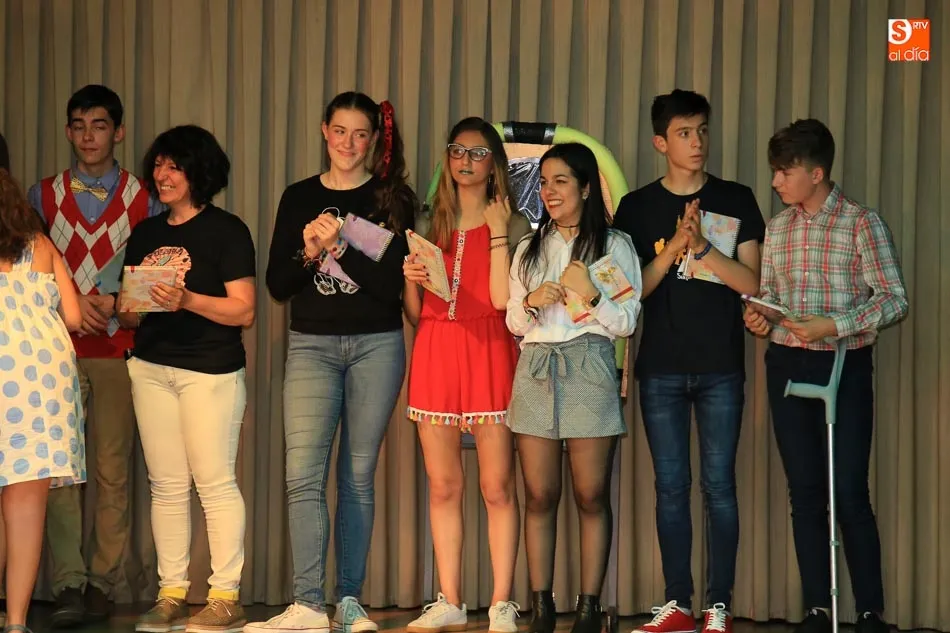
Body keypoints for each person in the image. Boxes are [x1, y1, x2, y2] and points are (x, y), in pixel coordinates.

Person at [250, 92, 418, 633]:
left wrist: (341, 245)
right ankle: (306, 604)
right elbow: (278, 284)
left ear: (373, 140)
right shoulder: (299, 196)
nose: (348, 143)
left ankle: (349, 601)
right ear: (324, 130)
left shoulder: (391, 197)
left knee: (357, 476)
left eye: (360, 133)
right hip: (312, 346)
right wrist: (310, 251)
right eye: (339, 131)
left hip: (376, 345)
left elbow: (392, 289)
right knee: (302, 473)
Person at [743, 119, 906, 633]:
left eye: (784, 171)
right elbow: (771, 295)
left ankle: (869, 612)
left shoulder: (861, 223)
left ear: (816, 173)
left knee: (850, 490)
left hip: (843, 364)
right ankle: (817, 608)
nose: (776, 181)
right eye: (774, 171)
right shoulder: (778, 228)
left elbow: (894, 299)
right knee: (805, 491)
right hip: (786, 363)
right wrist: (760, 316)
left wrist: (833, 325)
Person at [611, 89, 765, 633]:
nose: (696, 142)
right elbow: (630, 292)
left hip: (721, 365)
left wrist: (703, 249)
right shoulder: (636, 208)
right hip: (660, 368)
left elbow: (752, 283)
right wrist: (675, 244)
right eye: (683, 133)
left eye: (702, 130)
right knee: (671, 487)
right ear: (661, 142)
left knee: (719, 486)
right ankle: (677, 602)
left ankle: (718, 605)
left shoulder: (737, 197)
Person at [26, 84, 162, 627]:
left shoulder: (144, 196)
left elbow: (159, 267)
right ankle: (68, 583)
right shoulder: (42, 195)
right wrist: (69, 303)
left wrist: (117, 302)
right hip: (52, 350)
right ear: (67, 131)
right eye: (79, 125)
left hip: (117, 348)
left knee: (111, 470)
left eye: (99, 125)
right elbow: (26, 266)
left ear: (118, 132)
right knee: (60, 473)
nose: (88, 136)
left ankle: (103, 582)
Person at [116, 124, 256, 633]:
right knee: (167, 485)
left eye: (174, 166)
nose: (163, 175)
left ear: (199, 172)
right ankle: (171, 592)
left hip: (209, 370)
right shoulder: (146, 233)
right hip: (151, 367)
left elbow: (244, 311)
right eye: (158, 165)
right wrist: (130, 307)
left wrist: (187, 299)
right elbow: (128, 312)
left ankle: (225, 596)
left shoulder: (227, 230)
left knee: (214, 482)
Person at [402, 117, 531, 633]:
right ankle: (450, 599)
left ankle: (501, 602)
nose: (466, 161)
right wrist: (409, 280)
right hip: (436, 350)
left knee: (497, 486)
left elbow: (505, 305)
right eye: (457, 150)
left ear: (494, 163)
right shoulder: (427, 221)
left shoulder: (515, 225)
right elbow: (417, 312)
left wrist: (497, 231)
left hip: (491, 350)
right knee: (443, 485)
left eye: (478, 153)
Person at [506, 142, 642, 633]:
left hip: (590, 364)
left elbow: (626, 322)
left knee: (590, 494)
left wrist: (592, 296)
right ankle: (541, 607)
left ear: (586, 187)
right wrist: (532, 302)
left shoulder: (614, 245)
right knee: (539, 495)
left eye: (561, 181)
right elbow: (514, 321)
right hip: (537, 366)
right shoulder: (529, 247)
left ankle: (588, 609)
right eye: (544, 182)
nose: (549, 191)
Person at [0, 167, 84, 633]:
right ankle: (16, 622)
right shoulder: (42, 246)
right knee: (25, 508)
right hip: (43, 382)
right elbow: (72, 316)